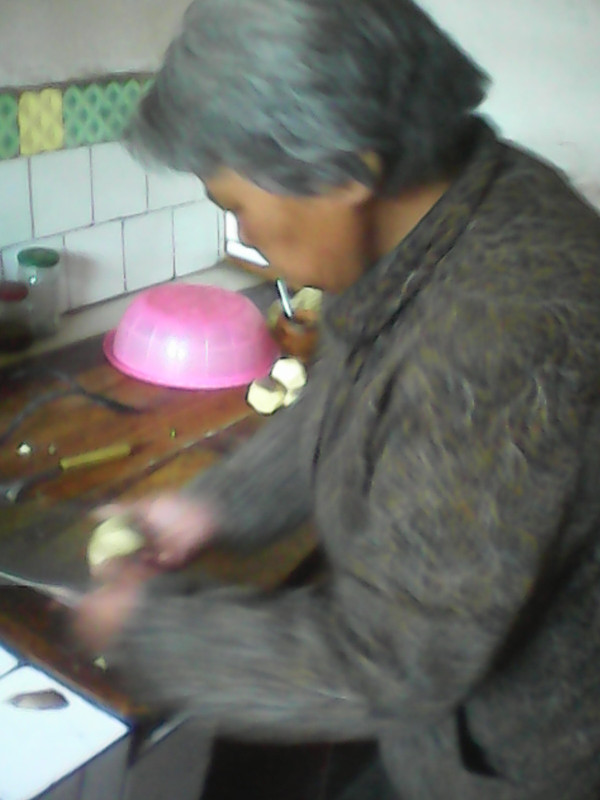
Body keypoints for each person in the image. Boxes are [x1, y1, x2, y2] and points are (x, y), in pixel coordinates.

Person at [73, 0, 600, 797]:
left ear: (350, 171)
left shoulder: (506, 330)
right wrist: (209, 508)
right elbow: (348, 392)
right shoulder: (439, 213)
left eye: (236, 206)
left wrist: (148, 626)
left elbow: (396, 657)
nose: (246, 237)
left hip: (515, 766)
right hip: (441, 732)